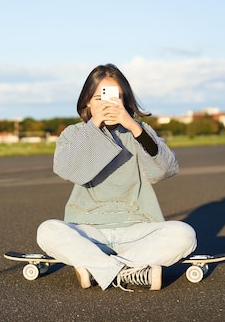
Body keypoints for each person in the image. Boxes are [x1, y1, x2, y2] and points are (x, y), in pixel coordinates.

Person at [37, 63, 197, 291]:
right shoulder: (74, 134)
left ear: (125, 101)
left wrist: (133, 126)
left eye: (115, 97)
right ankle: (129, 271)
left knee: (184, 235)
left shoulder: (140, 131)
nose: (107, 104)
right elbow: (67, 169)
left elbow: (166, 169)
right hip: (88, 228)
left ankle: (98, 268)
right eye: (100, 98)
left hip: (136, 227)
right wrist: (94, 126)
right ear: (88, 102)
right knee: (48, 230)